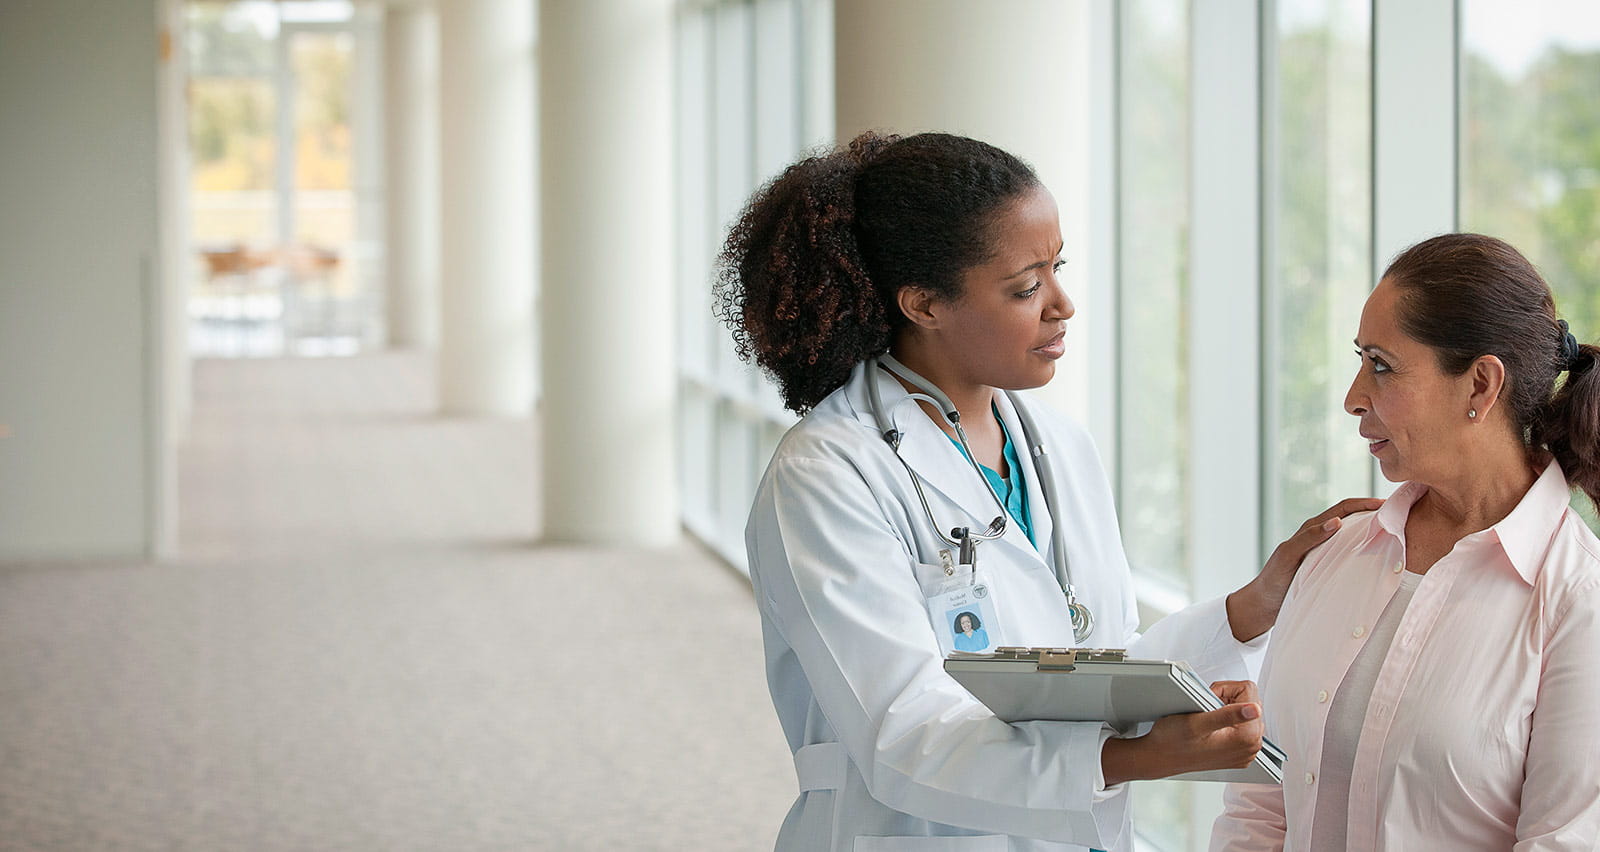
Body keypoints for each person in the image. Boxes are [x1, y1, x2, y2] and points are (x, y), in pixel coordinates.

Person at [718, 131, 1378, 852]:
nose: (1062, 304)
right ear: (924, 304)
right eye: (1026, 287)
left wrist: (1256, 606)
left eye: (1057, 268)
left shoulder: (1058, 448)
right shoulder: (827, 474)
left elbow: (1097, 665)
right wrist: (1137, 758)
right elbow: (901, 734)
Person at [1209, 233, 1600, 851]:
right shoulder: (1336, 553)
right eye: (1359, 361)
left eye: (1381, 366)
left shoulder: (1579, 600)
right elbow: (1261, 805)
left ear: (1479, 386)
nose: (1352, 397)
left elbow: (1564, 841)